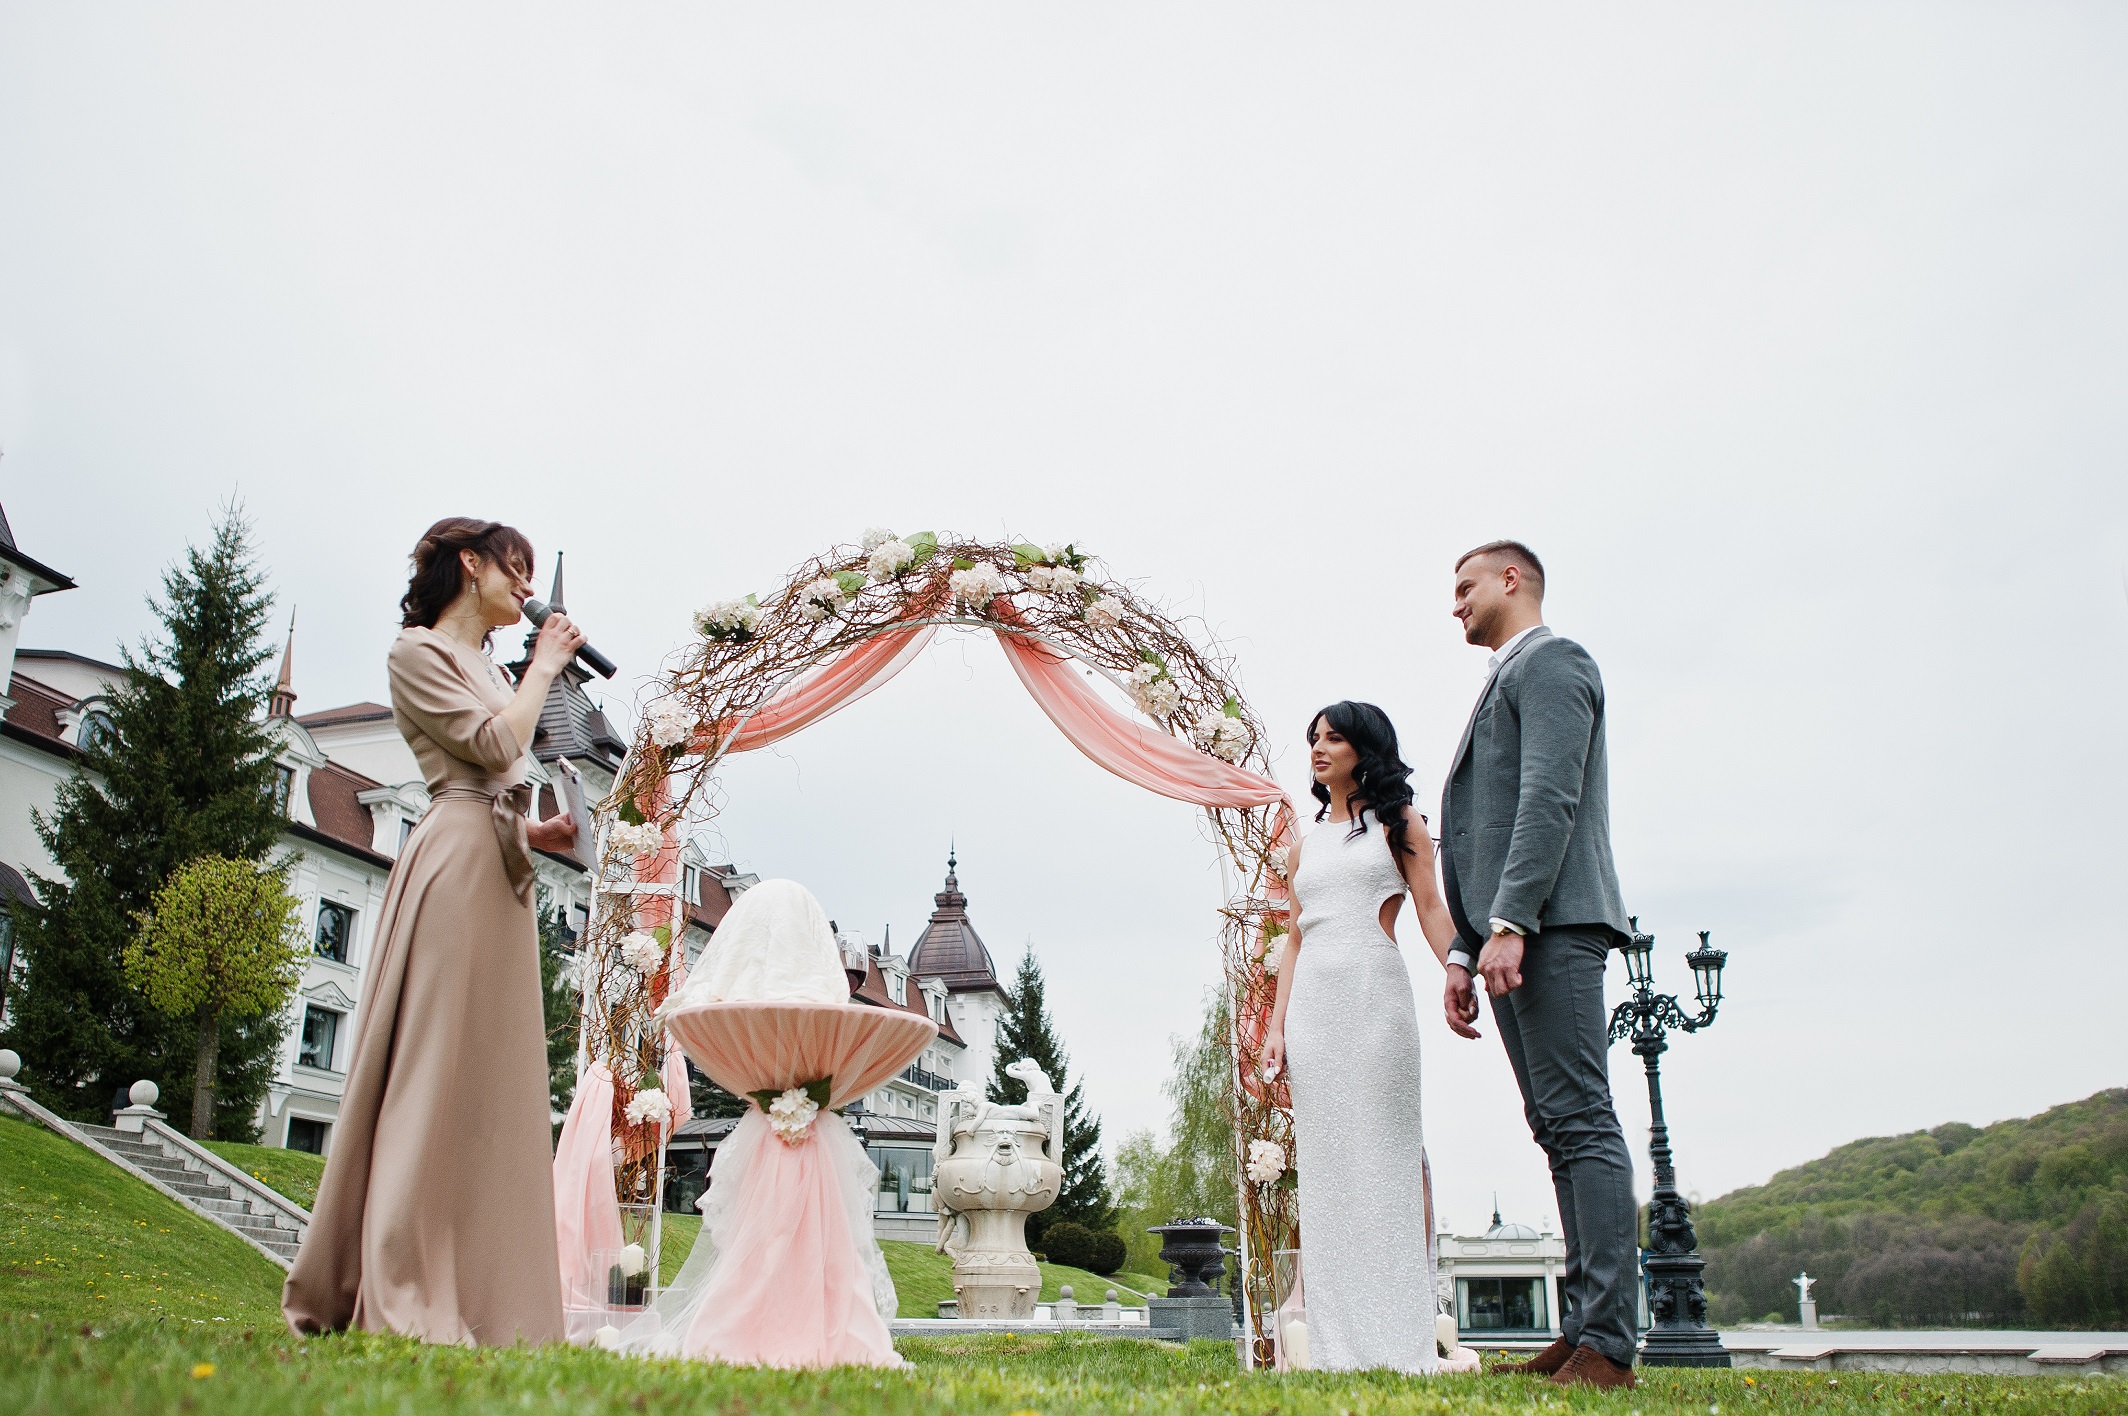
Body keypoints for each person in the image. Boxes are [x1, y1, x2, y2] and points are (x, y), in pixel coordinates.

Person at [283, 517, 584, 1345]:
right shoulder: (417, 652)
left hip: (500, 865)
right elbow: (491, 744)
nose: (526, 588)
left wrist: (536, 835)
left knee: (490, 1083)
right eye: (513, 571)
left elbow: (501, 772)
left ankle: (487, 1296)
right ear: (470, 565)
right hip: (452, 863)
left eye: (531, 576)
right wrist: (548, 668)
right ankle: (400, 1274)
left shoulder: (489, 666)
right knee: (432, 1065)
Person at [1437, 540, 1638, 1391]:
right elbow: (1477, 827)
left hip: (1552, 924)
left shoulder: (1555, 662)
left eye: (1464, 587)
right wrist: (1460, 944)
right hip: (1512, 933)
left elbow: (1548, 796)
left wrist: (1513, 918)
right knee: (1554, 1126)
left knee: (1582, 1120)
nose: (1455, 605)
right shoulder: (1505, 677)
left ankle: (1611, 1347)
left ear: (1510, 581)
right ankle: (1581, 1330)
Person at [1261, 701, 1458, 1373]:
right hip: (1314, 1009)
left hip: (1377, 1003)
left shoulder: (1401, 825)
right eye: (1313, 737)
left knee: (1385, 1161)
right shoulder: (1303, 844)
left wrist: (1459, 969)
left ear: (1363, 748)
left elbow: (1430, 906)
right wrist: (1278, 1028)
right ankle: (1334, 1340)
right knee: (1328, 1169)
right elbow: (1293, 938)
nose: (1318, 748)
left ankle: (1401, 1336)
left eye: (1334, 737)